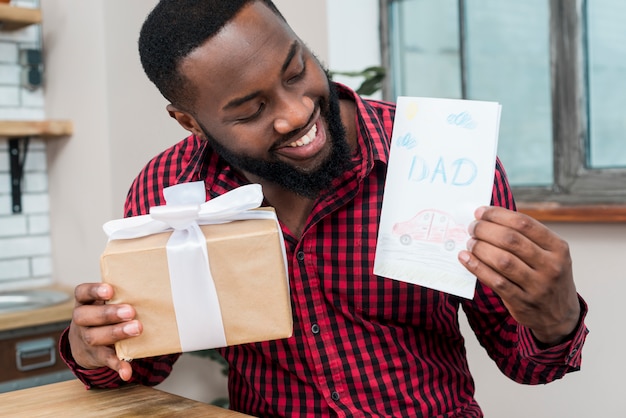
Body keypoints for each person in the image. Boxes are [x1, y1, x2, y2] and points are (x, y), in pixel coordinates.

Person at [60, 1, 589, 416]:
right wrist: (94, 348)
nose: (295, 114)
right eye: (251, 110)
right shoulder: (168, 190)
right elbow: (142, 367)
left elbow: (527, 363)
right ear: (189, 122)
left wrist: (556, 315)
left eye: (296, 72)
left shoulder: (440, 162)